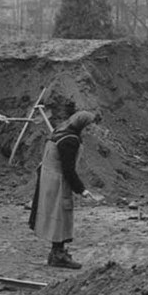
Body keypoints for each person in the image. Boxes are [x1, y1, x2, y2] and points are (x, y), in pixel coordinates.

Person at [28, 110, 102, 269]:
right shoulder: (70, 141)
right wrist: (81, 189)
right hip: (57, 181)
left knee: (57, 215)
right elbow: (68, 169)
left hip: (49, 177)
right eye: (89, 127)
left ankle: (57, 252)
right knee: (60, 216)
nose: (90, 131)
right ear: (81, 125)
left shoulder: (60, 132)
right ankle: (58, 255)